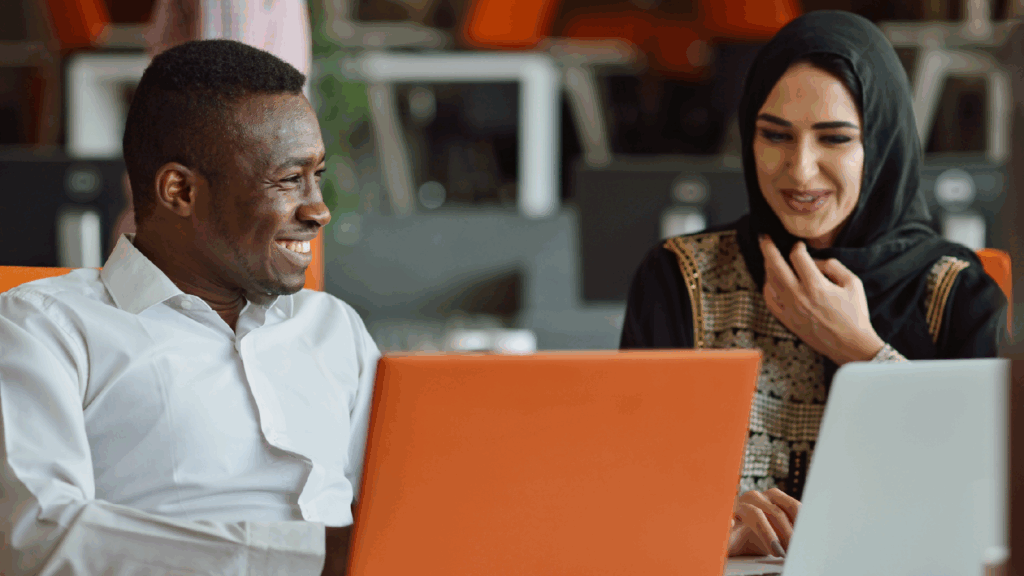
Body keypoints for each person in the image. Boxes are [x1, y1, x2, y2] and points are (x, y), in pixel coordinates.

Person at [619, 10, 1006, 560]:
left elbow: (990, 504)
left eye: (835, 139)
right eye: (775, 135)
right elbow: (627, 493)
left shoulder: (955, 292)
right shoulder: (681, 277)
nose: (800, 171)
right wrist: (713, 534)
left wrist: (861, 352)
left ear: (882, 144)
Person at [0, 40, 372, 576]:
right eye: (290, 179)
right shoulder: (42, 328)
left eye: (317, 175)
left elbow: (402, 507)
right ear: (179, 191)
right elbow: (36, 539)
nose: (319, 210)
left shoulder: (334, 328)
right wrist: (312, 558)